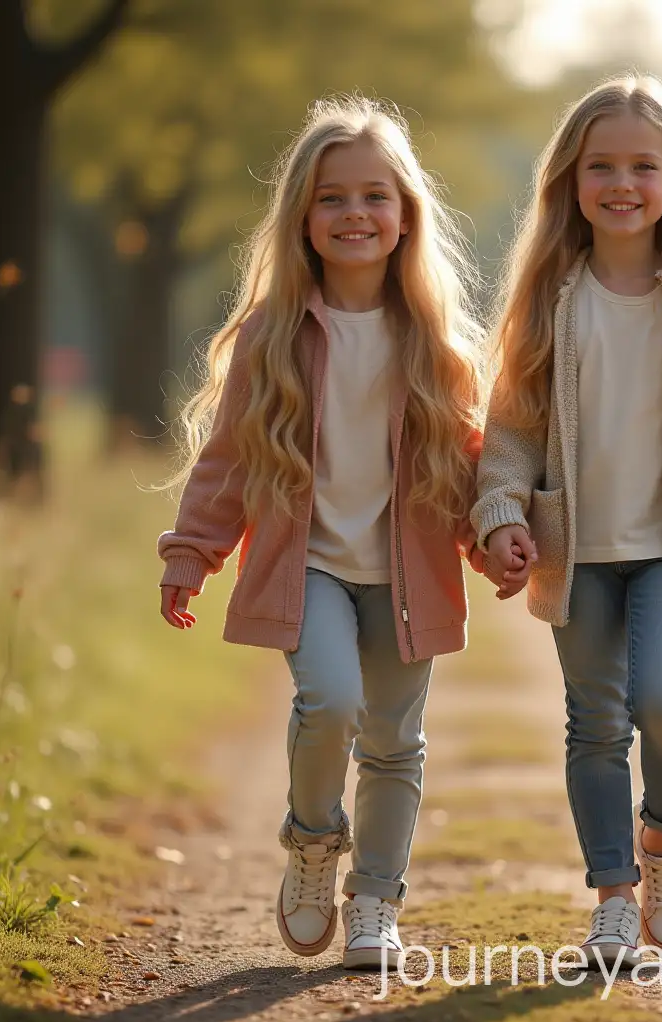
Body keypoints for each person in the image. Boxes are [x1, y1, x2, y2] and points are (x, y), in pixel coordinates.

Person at [157, 96, 495, 970]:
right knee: (331, 703)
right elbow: (231, 458)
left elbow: (462, 467)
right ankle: (313, 843)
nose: (355, 214)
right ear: (303, 218)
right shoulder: (274, 335)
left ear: (405, 214)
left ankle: (377, 900)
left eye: (375, 196)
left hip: (404, 572)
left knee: (394, 743)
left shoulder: (431, 340)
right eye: (333, 197)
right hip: (306, 566)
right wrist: (192, 552)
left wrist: (496, 536)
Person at [472, 74, 662, 967]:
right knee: (595, 724)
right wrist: (499, 513)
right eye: (601, 166)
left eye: (644, 166)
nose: (622, 184)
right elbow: (512, 433)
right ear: (570, 182)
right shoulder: (548, 303)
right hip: (582, 555)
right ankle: (611, 894)